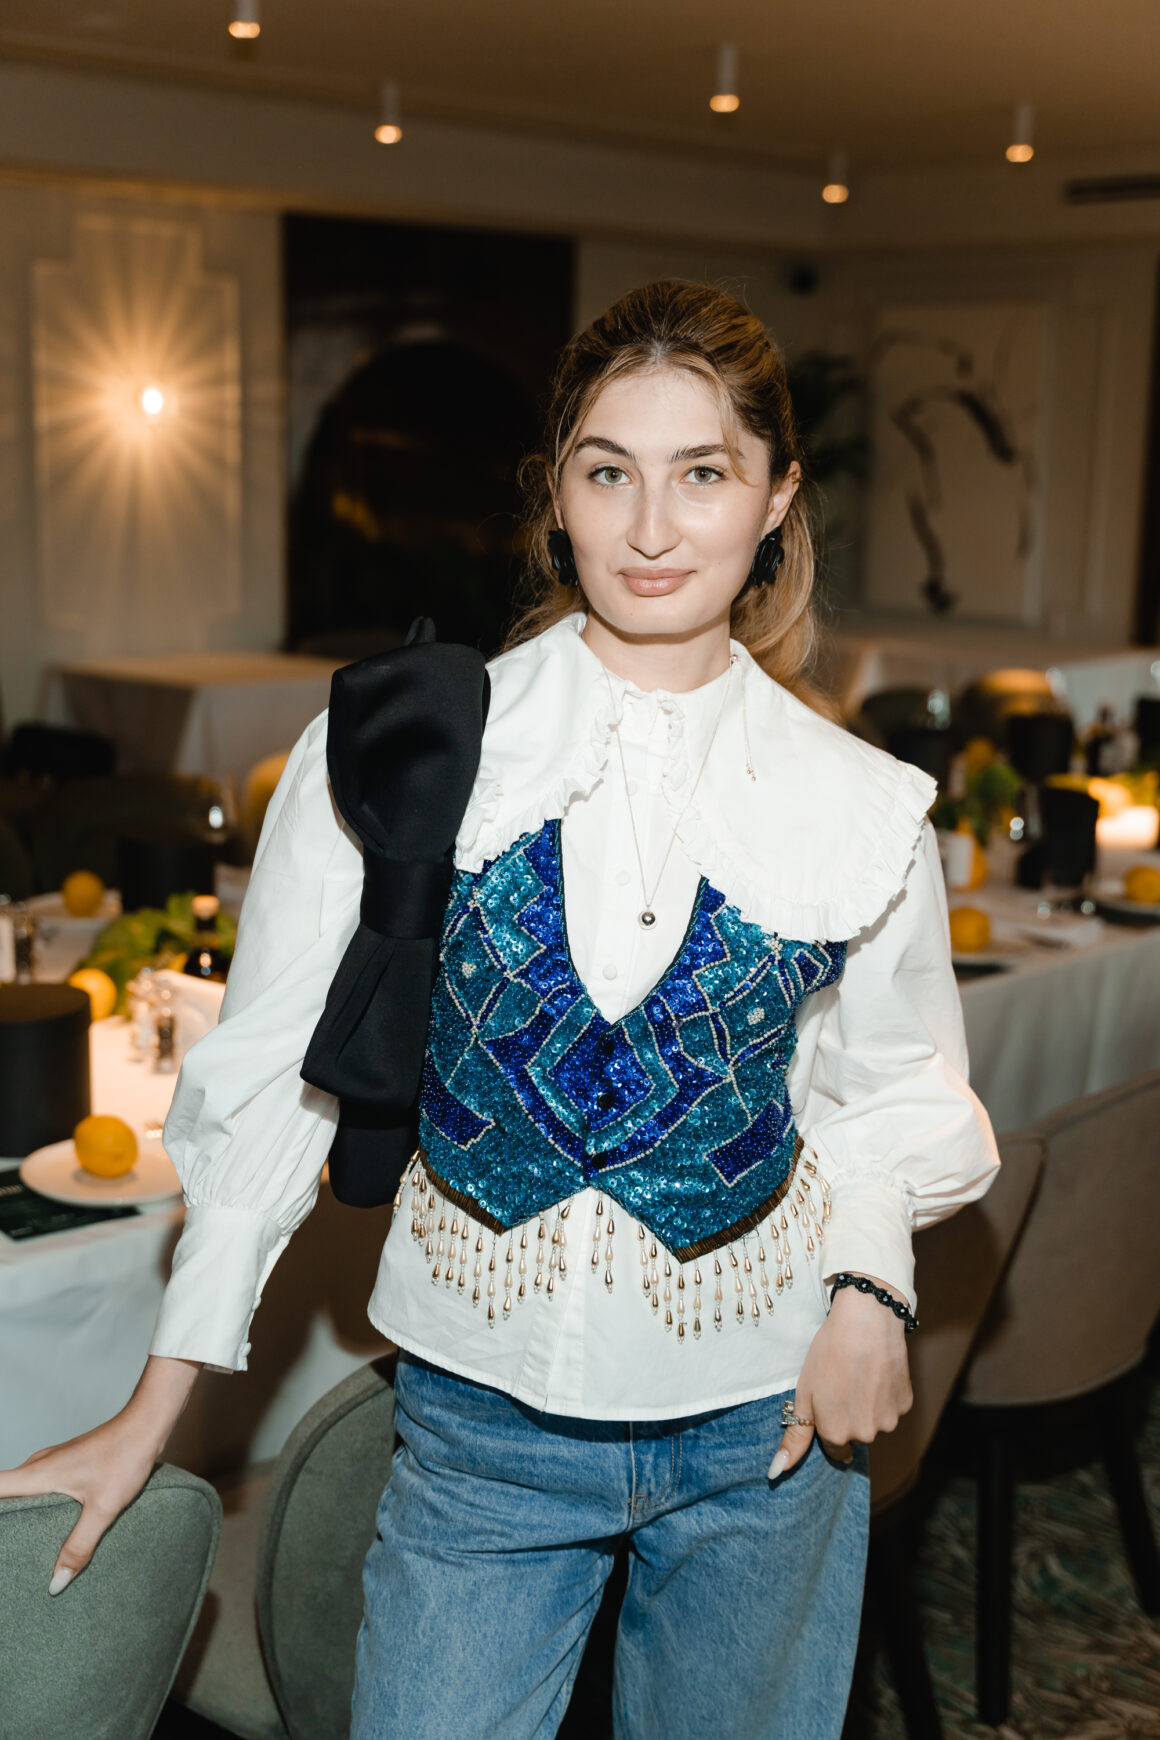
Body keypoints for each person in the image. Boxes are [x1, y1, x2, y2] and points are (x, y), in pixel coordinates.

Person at [1, 281, 999, 1739]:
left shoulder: (861, 805)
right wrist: (153, 1419)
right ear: (556, 495)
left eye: (702, 473)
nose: (651, 528)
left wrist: (870, 1290)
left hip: (767, 1427)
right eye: (609, 472)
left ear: (778, 498)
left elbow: (890, 1089)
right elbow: (271, 1086)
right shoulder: (401, 744)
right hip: (484, 1430)